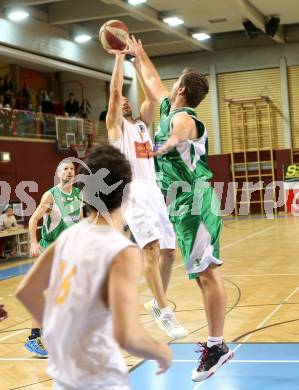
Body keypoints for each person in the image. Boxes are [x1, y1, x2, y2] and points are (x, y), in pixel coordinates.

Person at [16, 144, 172, 389]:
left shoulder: (68, 237)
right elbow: (126, 335)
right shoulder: (123, 251)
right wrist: (161, 351)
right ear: (127, 192)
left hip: (65, 377)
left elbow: (26, 292)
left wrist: (57, 333)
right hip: (101, 378)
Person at [123, 36, 233, 382]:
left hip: (195, 202)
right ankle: (215, 344)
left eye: (174, 84)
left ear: (182, 89)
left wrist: (167, 144)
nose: (167, 87)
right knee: (203, 274)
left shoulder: (184, 116)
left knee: (207, 273)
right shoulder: (170, 108)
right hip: (181, 205)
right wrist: (138, 54)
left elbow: (182, 130)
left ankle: (216, 346)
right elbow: (153, 83)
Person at [106, 51, 187, 339]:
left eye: (129, 100)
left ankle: (157, 302)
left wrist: (136, 63)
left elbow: (152, 100)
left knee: (169, 252)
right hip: (131, 191)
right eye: (121, 102)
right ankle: (166, 312)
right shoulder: (117, 128)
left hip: (153, 189)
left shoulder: (141, 125)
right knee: (150, 248)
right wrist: (118, 58)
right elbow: (116, 93)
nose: (125, 101)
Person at [24, 160, 82, 357]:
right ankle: (33, 338)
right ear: (58, 174)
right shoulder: (51, 195)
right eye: (65, 169)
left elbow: (80, 223)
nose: (69, 171)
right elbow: (33, 220)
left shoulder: (78, 194)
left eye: (72, 169)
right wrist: (33, 243)